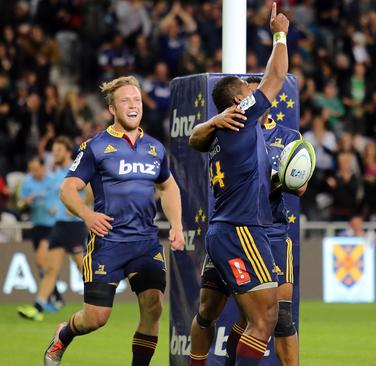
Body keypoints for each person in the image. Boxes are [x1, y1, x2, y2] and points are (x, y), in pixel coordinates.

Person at [43, 75, 185, 366]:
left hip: (146, 242)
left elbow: (168, 186)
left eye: (136, 100)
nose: (133, 106)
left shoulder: (155, 148)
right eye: (125, 101)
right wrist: (87, 214)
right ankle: (64, 333)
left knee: (154, 305)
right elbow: (67, 189)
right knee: (96, 318)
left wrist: (177, 225)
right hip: (109, 241)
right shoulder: (95, 147)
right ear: (112, 109)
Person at [187, 3, 289, 365]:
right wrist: (280, 33)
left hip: (223, 228)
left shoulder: (219, 132)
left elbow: (195, 139)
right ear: (238, 100)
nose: (254, 91)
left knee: (211, 312)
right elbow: (275, 78)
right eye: (248, 88)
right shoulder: (242, 117)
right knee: (265, 318)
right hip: (243, 229)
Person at [18, 138, 88, 321]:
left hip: (74, 225)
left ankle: (98, 302)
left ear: (67, 152)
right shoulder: (56, 173)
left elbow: (90, 191)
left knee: (83, 267)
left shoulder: (76, 168)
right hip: (59, 226)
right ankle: (38, 308)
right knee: (50, 269)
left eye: (58, 150)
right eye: (54, 150)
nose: (54, 153)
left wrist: (78, 208)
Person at [16, 157, 59, 311]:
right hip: (37, 225)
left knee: (42, 261)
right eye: (31, 169)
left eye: (36, 169)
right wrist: (26, 201)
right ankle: (55, 296)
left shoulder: (52, 181)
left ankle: (49, 298)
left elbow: (60, 197)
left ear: (42, 167)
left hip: (51, 226)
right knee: (42, 265)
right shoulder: (27, 182)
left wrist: (56, 208)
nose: (33, 172)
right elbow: (19, 203)